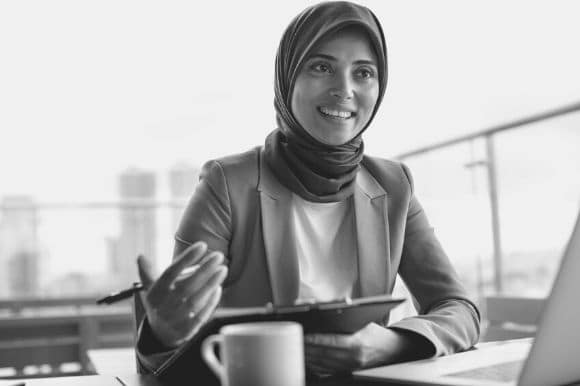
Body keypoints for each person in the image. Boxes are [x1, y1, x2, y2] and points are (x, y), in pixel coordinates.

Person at [135, 1, 480, 383]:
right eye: (321, 67)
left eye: (363, 73)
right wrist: (162, 333)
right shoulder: (226, 183)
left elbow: (459, 308)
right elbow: (177, 347)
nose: (343, 90)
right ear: (287, 78)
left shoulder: (394, 185)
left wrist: (391, 344)